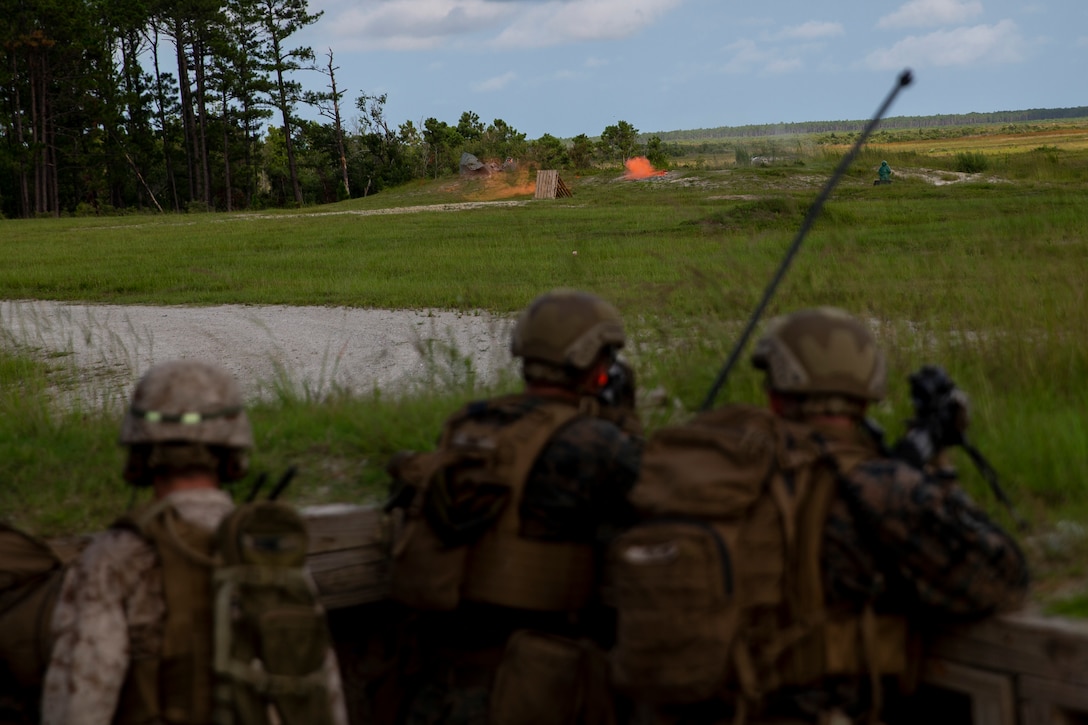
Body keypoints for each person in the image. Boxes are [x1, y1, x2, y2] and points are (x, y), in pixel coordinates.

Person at [612, 307, 1029, 724]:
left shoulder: (712, 475)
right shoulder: (871, 487)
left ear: (775, 397)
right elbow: (1000, 577)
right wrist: (934, 477)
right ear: (867, 395)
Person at [384, 289, 643, 725]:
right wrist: (624, 418)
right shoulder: (596, 442)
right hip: (530, 690)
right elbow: (652, 502)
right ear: (594, 363)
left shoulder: (471, 422)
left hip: (436, 685)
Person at [41, 359, 348, 725]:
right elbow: (323, 697)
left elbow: (80, 707)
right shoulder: (271, 552)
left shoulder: (115, 558)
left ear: (139, 453)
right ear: (233, 453)